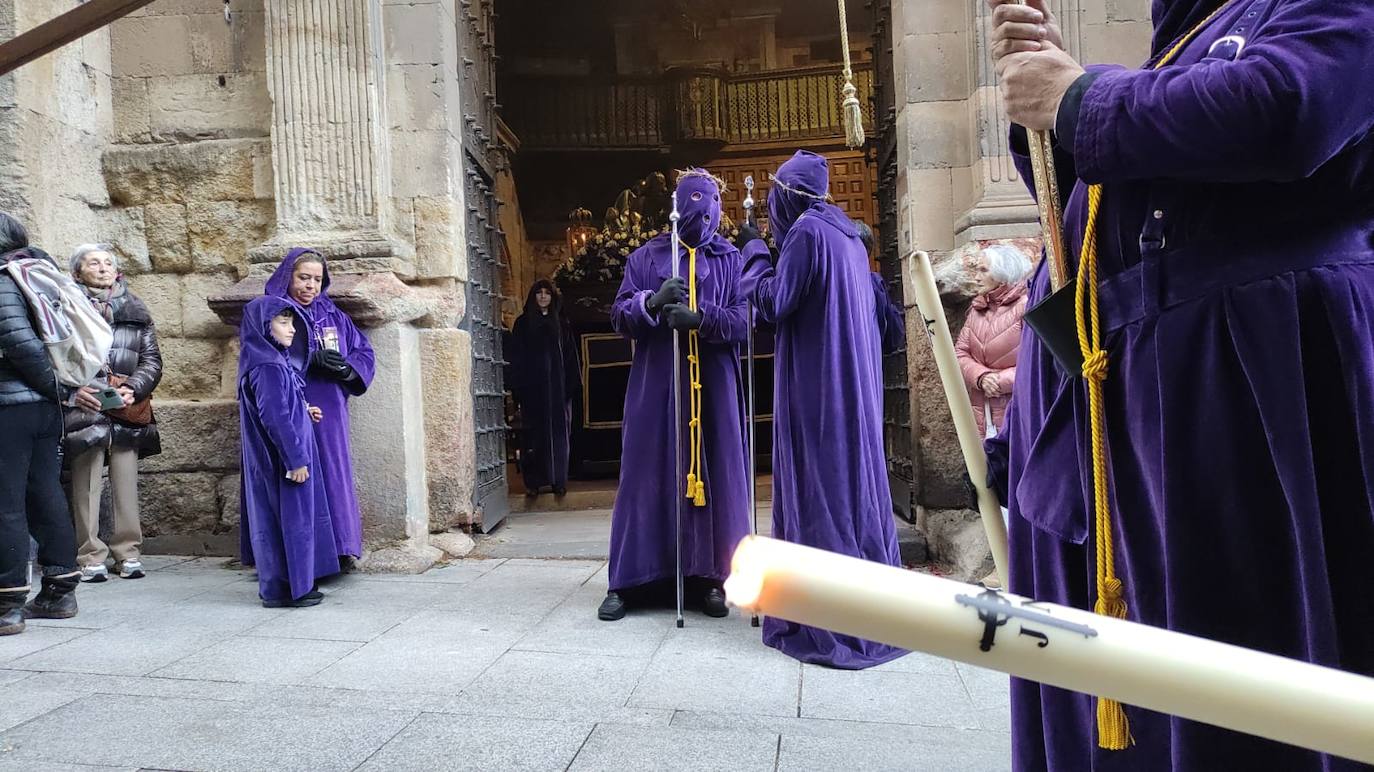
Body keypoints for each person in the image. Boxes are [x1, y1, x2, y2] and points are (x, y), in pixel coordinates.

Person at [986, 1, 1374, 769]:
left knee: (1241, 682)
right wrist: (1052, 109)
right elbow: (1131, 193)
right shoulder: (1185, 41)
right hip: (1140, 423)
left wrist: (1078, 98)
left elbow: (1288, 106)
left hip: (1249, 396)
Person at [738, 150, 906, 669]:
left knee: (822, 491)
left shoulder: (809, 232)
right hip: (851, 392)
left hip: (817, 391)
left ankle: (826, 620)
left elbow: (773, 302)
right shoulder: (849, 237)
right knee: (852, 492)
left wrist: (754, 254)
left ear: (788, 196)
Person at [598, 168, 751, 622]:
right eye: (692, 207)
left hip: (714, 389)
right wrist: (652, 301)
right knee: (646, 474)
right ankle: (631, 579)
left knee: (714, 475)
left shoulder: (729, 260)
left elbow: (746, 321)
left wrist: (702, 319)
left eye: (708, 210)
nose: (700, 219)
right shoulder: (645, 258)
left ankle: (710, 578)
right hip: (658, 386)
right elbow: (619, 314)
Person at [264, 249, 375, 563]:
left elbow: (362, 351)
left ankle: (339, 548)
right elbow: (261, 352)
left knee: (332, 470)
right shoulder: (273, 310)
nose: (310, 286)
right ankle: (300, 555)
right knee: (297, 471)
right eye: (303, 278)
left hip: (331, 406)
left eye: (316, 279)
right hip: (291, 402)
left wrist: (346, 369)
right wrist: (308, 358)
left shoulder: (333, 313)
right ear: (288, 277)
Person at [0, 213, 81, 633]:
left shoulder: (3, 280)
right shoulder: (34, 274)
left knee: (6, 502)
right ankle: (59, 589)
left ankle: (7, 602)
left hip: (12, 406)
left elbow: (19, 343)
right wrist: (60, 391)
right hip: (42, 407)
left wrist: (57, 389)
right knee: (43, 493)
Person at [65, 244, 163, 583]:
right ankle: (90, 555)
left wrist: (134, 387)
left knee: (125, 480)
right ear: (78, 272)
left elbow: (152, 360)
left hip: (124, 406)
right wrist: (75, 390)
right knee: (86, 480)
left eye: (108, 263)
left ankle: (128, 553)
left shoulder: (135, 307)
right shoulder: (64, 306)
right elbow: (56, 357)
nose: (103, 268)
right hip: (86, 402)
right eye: (94, 263)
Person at [237, 296, 338, 608]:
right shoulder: (267, 365)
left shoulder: (269, 358)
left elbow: (281, 404)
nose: (292, 329)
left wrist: (304, 409)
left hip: (278, 454)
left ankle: (289, 585)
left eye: (292, 322)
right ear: (263, 326)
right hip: (281, 459)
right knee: (289, 519)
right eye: (282, 322)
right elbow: (274, 416)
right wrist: (295, 459)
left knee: (281, 518)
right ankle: (289, 589)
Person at [508, 280, 581, 498]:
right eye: (538, 293)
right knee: (533, 437)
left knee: (559, 436)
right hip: (533, 391)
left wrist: (570, 386)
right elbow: (517, 357)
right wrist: (518, 388)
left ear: (552, 297)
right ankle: (534, 482)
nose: (542, 297)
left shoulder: (561, 323)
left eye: (546, 293)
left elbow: (570, 356)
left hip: (558, 390)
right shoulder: (523, 324)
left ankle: (558, 480)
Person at [955, 245, 1031, 439]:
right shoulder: (977, 310)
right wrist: (981, 377)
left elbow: (1038, 358)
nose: (977, 277)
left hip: (1018, 407)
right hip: (983, 411)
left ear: (1002, 273)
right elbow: (960, 352)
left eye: (983, 270)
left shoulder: (1026, 306)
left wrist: (1000, 381)